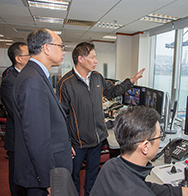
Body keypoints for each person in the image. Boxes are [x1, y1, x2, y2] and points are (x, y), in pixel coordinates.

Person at [56, 42, 145, 196]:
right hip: (77, 142)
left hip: (97, 139)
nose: (96, 61)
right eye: (93, 57)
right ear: (81, 59)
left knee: (93, 174)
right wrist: (66, 141)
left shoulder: (97, 77)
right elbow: (61, 116)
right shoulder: (65, 83)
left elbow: (113, 92)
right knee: (74, 176)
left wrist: (131, 81)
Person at [90, 106, 188, 196]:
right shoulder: (137, 192)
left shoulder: (111, 165)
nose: (160, 141)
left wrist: (178, 191)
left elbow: (143, 185)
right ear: (145, 147)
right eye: (160, 137)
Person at [12, 28, 72, 196]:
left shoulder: (36, 75)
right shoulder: (33, 80)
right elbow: (37, 137)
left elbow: (48, 123)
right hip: (42, 176)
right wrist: (49, 180)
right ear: (46, 48)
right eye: (60, 46)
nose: (63, 51)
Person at [0, 42, 30, 196]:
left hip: (28, 136)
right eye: (27, 55)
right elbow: (17, 111)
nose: (31, 57)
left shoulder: (27, 76)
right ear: (18, 58)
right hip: (18, 137)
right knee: (17, 177)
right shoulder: (9, 81)